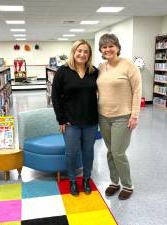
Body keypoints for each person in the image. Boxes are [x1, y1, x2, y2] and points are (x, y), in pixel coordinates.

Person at [97, 33, 142, 200]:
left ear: (117, 47)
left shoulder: (128, 65)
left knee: (118, 152)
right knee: (110, 151)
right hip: (103, 116)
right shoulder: (101, 67)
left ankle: (127, 185)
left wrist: (134, 115)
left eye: (111, 46)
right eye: (104, 46)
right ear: (101, 50)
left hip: (122, 116)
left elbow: (137, 91)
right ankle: (114, 182)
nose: (108, 49)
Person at [51, 40, 98, 196]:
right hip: (71, 122)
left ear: (89, 55)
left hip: (91, 120)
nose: (82, 54)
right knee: (71, 152)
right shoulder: (63, 71)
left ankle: (86, 179)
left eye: (86, 52)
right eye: (79, 51)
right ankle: (72, 181)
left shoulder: (94, 72)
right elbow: (55, 97)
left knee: (88, 152)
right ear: (73, 52)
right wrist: (61, 119)